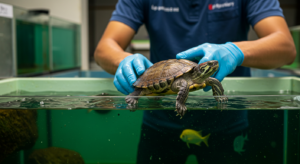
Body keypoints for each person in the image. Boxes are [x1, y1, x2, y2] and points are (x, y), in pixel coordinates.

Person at [94, 0, 296, 163]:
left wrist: (236, 50)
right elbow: (104, 47)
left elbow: (286, 47)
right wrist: (123, 61)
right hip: (159, 122)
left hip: (228, 124)